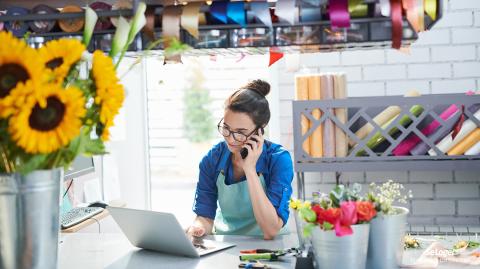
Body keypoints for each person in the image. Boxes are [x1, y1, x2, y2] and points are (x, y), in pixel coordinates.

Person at [187, 79, 294, 240]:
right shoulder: (212, 160)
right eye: (226, 128)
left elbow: (271, 229)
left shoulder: (279, 160)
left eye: (240, 132)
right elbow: (205, 217)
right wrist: (198, 228)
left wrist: (250, 169)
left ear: (260, 129)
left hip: (269, 247)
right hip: (228, 243)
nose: (230, 139)